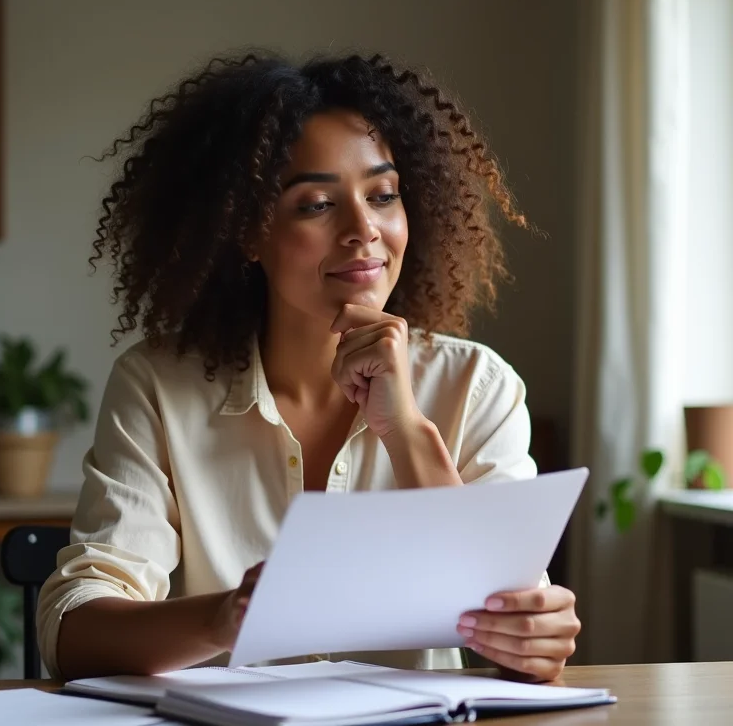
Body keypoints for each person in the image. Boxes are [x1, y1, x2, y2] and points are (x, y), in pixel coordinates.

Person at [37, 51, 581, 683]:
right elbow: (72, 633)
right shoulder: (157, 387)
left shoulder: (476, 387)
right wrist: (230, 618)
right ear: (247, 232)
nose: (363, 229)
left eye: (382, 195)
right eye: (316, 204)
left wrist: (406, 432)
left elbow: (510, 642)